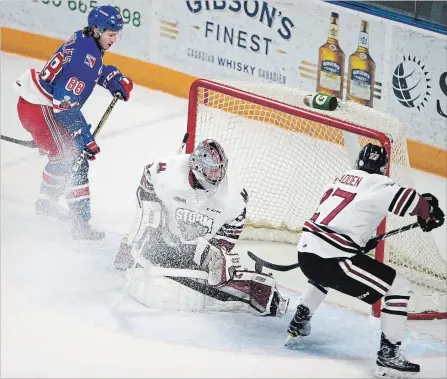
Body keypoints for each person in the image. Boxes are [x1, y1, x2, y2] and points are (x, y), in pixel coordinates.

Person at [286, 143, 445, 378]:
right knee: (399, 287)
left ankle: (299, 321)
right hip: (334, 260)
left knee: (326, 272)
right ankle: (389, 355)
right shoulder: (379, 183)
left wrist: (360, 241)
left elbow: (343, 218)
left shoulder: (339, 179)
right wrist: (428, 209)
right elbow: (410, 201)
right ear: (382, 168)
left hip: (307, 252)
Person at [114, 139, 289, 316]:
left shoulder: (234, 196)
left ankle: (256, 294)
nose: (217, 176)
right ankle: (129, 246)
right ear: (197, 166)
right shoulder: (168, 170)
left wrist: (216, 251)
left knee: (217, 264)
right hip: (165, 234)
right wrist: (152, 213)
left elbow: (231, 231)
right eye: (212, 170)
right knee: (146, 223)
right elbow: (147, 180)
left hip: (197, 246)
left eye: (220, 169)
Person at [13, 5, 134, 240]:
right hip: (44, 110)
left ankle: (46, 205)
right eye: (111, 34)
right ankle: (80, 226)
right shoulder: (84, 57)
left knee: (62, 157)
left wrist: (111, 78)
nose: (115, 39)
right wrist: (84, 137)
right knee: (75, 160)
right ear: (97, 30)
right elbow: (65, 105)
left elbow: (90, 70)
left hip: (35, 106)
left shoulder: (85, 38)